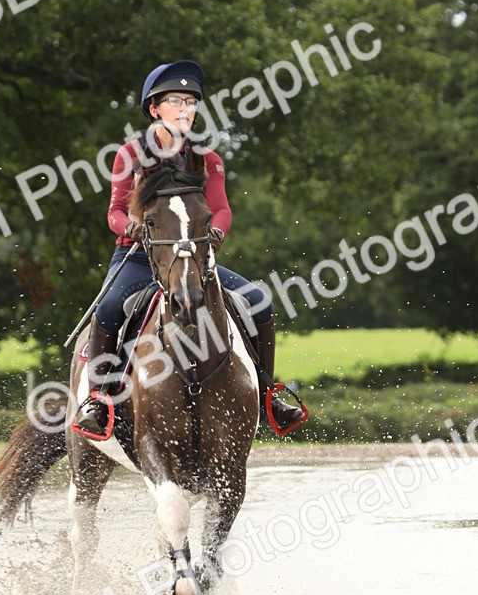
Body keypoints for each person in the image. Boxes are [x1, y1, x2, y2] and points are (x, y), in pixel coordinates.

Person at [74, 59, 307, 438]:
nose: (186, 109)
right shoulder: (129, 155)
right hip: (140, 257)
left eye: (191, 102)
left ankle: (267, 394)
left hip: (195, 256)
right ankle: (98, 400)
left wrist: (214, 235)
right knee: (109, 308)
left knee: (260, 302)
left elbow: (222, 210)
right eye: (176, 101)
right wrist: (135, 229)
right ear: (154, 109)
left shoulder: (207, 159)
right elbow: (114, 213)